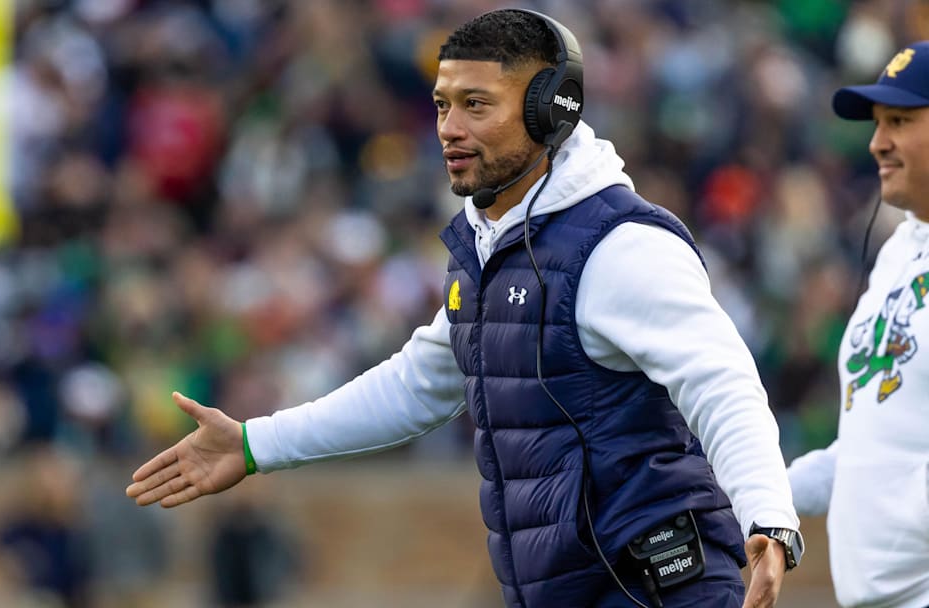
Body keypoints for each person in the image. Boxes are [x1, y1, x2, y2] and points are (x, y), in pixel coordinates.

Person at [127, 9, 802, 608]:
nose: (449, 127)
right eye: (443, 104)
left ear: (550, 110)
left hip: (655, 584)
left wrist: (768, 516)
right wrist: (253, 444)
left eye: (477, 104)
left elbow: (721, 382)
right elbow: (418, 385)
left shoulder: (620, 247)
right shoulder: (493, 244)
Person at [787, 41, 929, 608]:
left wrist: (901, 532)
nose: (878, 143)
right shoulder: (898, 248)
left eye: (900, 120)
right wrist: (765, 497)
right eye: (877, 123)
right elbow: (873, 447)